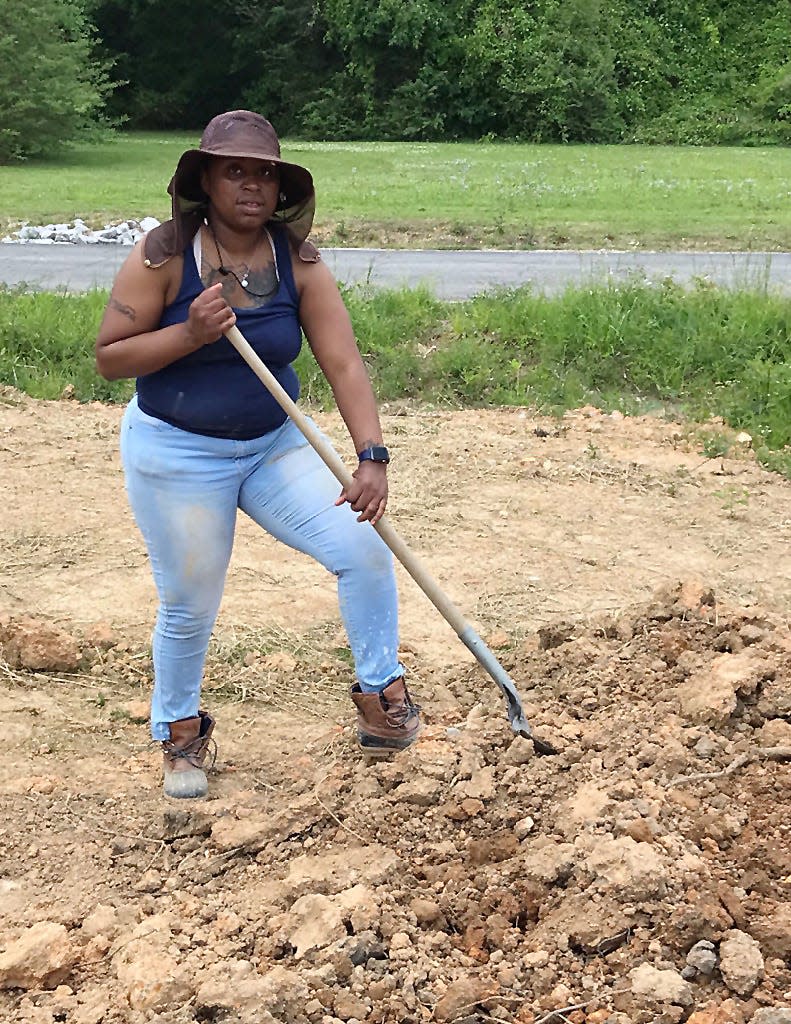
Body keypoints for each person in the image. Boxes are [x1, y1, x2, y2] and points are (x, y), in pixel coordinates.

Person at [95, 110, 420, 799]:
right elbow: (109, 359)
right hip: (177, 454)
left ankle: (380, 696)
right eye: (234, 170)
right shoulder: (161, 253)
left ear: (280, 189)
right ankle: (179, 734)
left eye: (264, 174)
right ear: (206, 180)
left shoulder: (297, 260)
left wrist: (371, 457)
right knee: (189, 601)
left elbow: (343, 361)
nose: (250, 185)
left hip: (275, 446)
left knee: (363, 547)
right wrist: (188, 333)